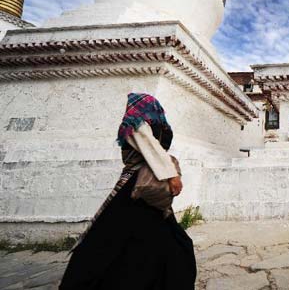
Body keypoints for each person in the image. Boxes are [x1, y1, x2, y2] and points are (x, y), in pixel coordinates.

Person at [60, 93, 196, 290]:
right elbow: (152, 150)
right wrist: (172, 174)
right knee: (112, 238)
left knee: (157, 240)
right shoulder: (135, 124)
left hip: (149, 186)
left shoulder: (149, 124)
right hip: (139, 185)